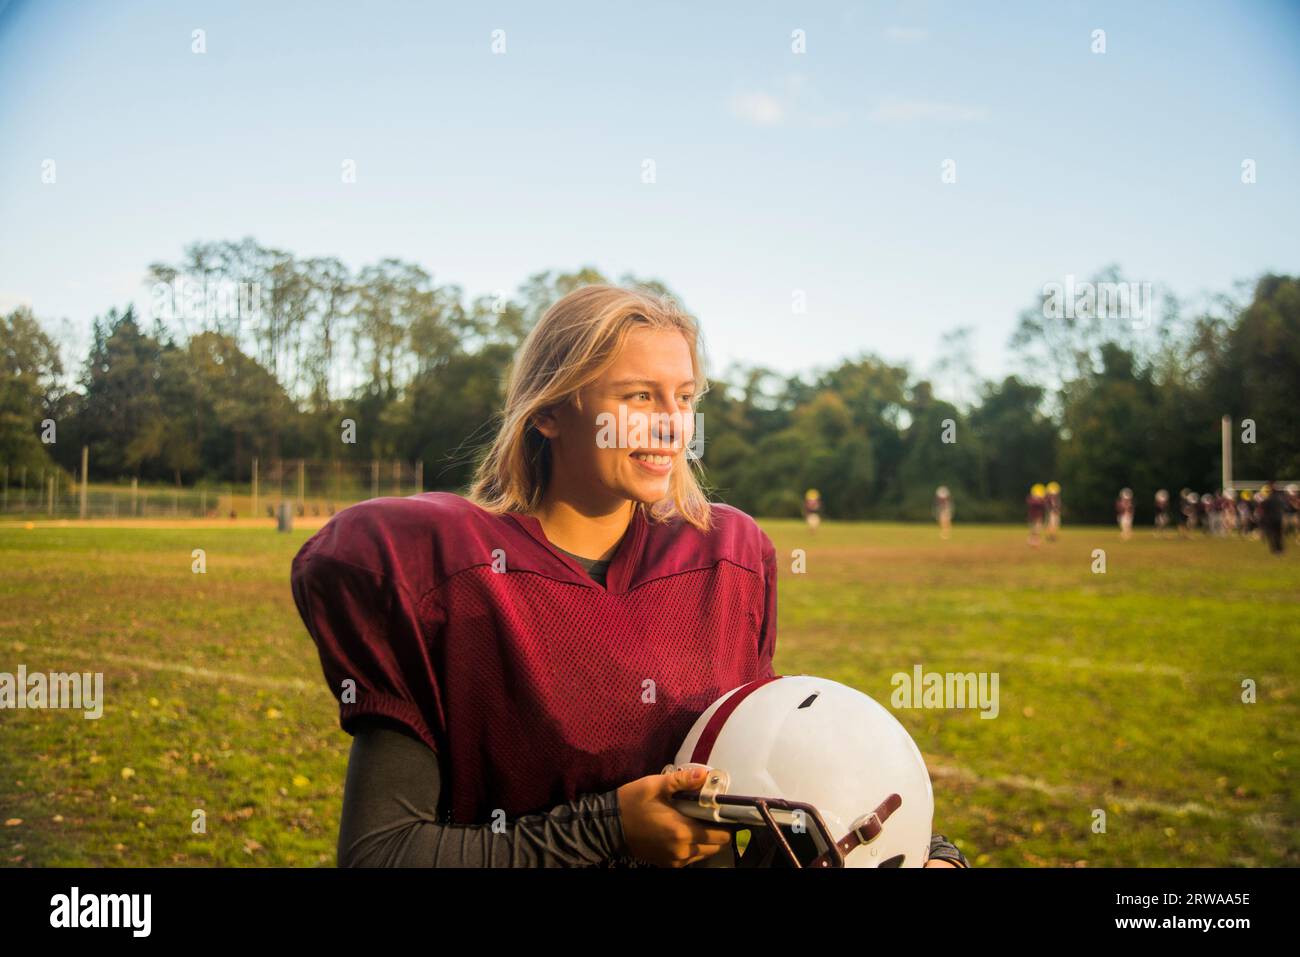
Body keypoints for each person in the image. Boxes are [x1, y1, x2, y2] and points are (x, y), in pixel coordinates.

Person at [290, 285, 967, 868]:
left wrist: (924, 846)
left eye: (683, 397)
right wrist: (604, 827)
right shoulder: (446, 574)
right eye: (639, 396)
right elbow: (383, 850)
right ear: (549, 412)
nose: (672, 426)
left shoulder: (727, 557)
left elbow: (763, 769)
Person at [1258, 481, 1286, 555]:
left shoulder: (1266, 499)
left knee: (1272, 535)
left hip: (1270, 519)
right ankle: (1280, 549)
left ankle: (1275, 550)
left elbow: (1262, 511)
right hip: (1278, 518)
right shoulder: (1279, 497)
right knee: (1278, 535)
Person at [1026, 483, 1046, 547]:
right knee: (1032, 530)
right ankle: (1032, 540)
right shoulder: (1031, 499)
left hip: (1039, 517)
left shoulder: (1042, 500)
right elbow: (1031, 503)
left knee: (1037, 530)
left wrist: (1040, 499)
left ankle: (1036, 541)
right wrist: (1037, 499)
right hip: (1032, 517)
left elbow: (1043, 504)